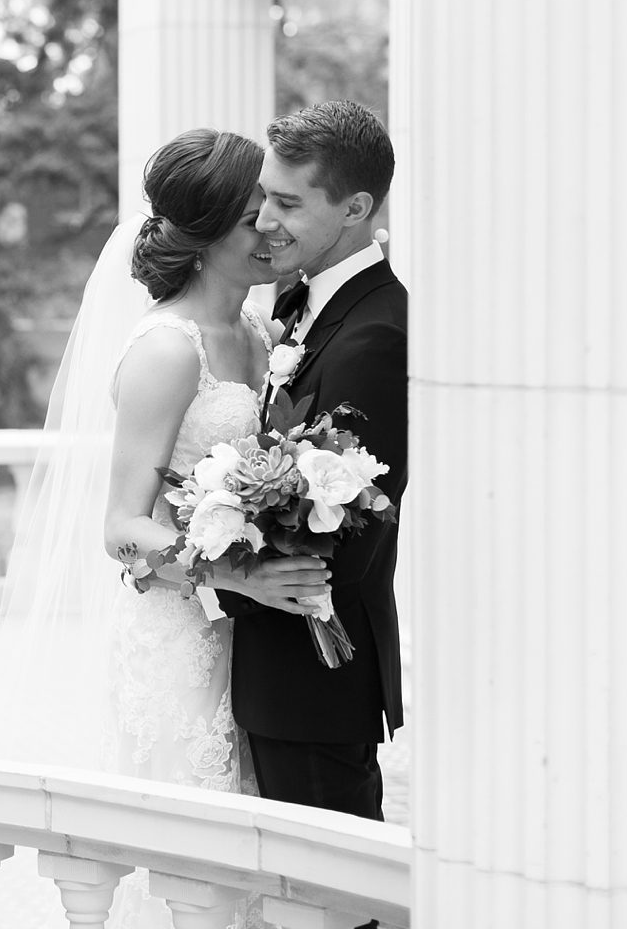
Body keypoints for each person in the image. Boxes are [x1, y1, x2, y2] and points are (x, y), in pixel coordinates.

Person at [0, 127, 331, 929]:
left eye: (276, 210)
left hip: (256, 639)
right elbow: (121, 528)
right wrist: (240, 575)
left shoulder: (264, 334)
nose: (272, 230)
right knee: (197, 874)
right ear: (205, 236)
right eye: (252, 218)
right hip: (181, 638)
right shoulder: (168, 350)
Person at [217, 100, 407, 822]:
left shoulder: (376, 336)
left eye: (289, 203)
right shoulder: (301, 301)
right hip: (277, 674)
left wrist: (211, 575)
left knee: (333, 881)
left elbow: (344, 543)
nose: (265, 219)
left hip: (316, 680)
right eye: (266, 196)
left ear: (355, 208)